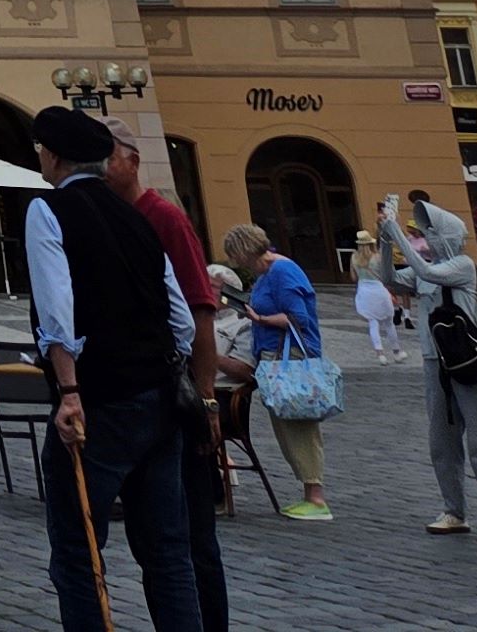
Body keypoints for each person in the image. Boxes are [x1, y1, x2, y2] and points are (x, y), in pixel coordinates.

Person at [25, 105, 206, 632]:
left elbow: (56, 309)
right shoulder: (137, 216)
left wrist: (69, 390)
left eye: (41, 150)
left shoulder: (49, 210)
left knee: (80, 554)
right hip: (158, 399)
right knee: (168, 554)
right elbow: (181, 320)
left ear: (54, 156)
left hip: (97, 402)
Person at [106, 134, 233, 632]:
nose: (99, 167)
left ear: (133, 161)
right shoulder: (112, 219)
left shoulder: (165, 218)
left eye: (107, 157)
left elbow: (200, 309)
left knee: (193, 536)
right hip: (144, 392)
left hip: (180, 395)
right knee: (154, 535)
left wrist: (206, 399)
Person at [375, 190, 477, 537]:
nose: (423, 238)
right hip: (433, 363)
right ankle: (454, 511)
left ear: (446, 236)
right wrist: (384, 242)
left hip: (467, 361)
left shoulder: (461, 265)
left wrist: (395, 234)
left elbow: (421, 268)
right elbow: (389, 278)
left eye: (428, 233)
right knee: (442, 442)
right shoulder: (430, 269)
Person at [220, 223, 333, 522]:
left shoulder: (281, 271)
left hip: (291, 358)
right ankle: (309, 493)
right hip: (275, 358)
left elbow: (298, 319)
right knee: (288, 425)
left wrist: (260, 318)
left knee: (299, 424)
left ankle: (316, 496)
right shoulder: (268, 273)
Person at [351, 235, 404, 360]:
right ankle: (396, 352)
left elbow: (354, 278)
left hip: (364, 290)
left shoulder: (354, 257)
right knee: (389, 322)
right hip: (379, 289)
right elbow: (386, 276)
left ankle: (380, 354)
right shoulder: (378, 257)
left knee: (373, 323)